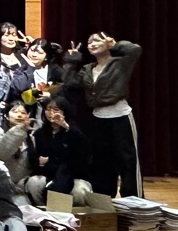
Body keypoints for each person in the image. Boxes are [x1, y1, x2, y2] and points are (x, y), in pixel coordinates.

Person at [61, 33, 142, 197]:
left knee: (127, 160)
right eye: (89, 42)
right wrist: (71, 61)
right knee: (101, 161)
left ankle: (133, 199)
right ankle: (103, 199)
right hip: (98, 118)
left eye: (96, 40)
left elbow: (135, 49)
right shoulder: (88, 69)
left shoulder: (120, 62)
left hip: (120, 115)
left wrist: (116, 45)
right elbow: (70, 83)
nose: (92, 44)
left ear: (107, 42)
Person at [28, 97, 94, 206]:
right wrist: (43, 162)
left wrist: (66, 127)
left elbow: (83, 155)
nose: (51, 113)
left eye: (56, 109)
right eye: (48, 109)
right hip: (48, 174)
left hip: (74, 175)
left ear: (64, 112)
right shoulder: (39, 133)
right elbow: (35, 158)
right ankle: (44, 210)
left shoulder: (75, 131)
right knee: (34, 182)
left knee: (79, 190)